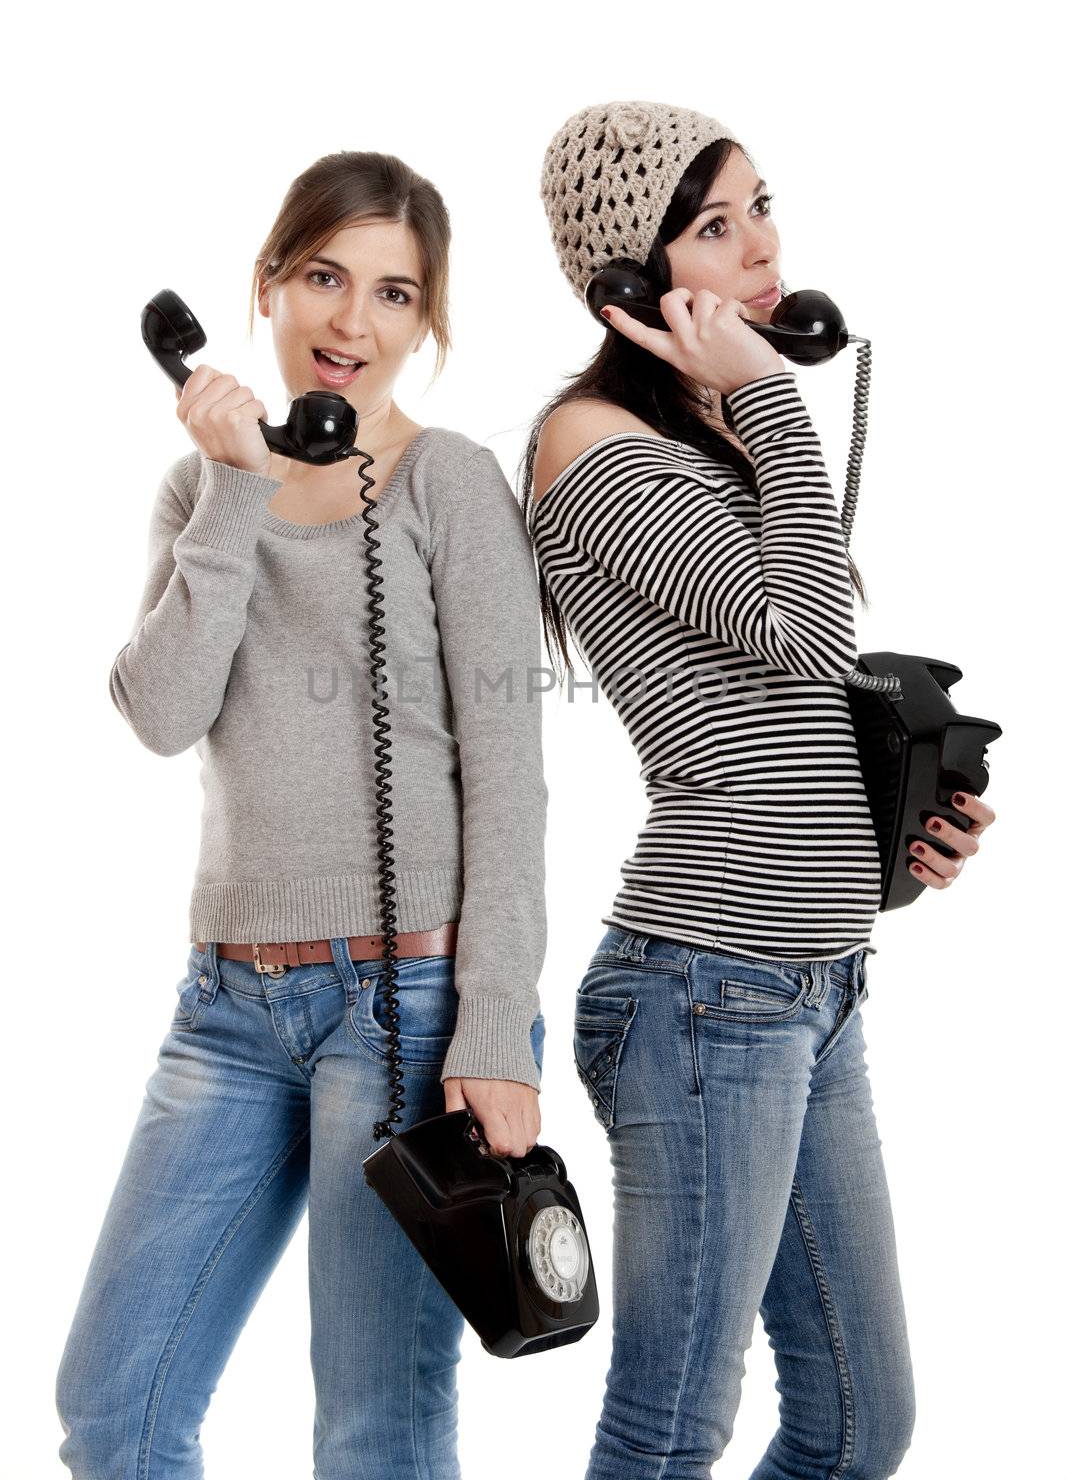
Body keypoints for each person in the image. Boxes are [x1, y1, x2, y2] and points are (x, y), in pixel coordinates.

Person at [56, 150, 548, 1480]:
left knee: (375, 1430)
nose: (352, 321)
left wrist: (497, 1023)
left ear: (425, 325)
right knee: (114, 1411)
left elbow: (510, 769)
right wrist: (236, 482)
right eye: (325, 277)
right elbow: (159, 714)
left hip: (411, 1008)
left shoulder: (449, 482)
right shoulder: (201, 496)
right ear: (266, 288)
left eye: (394, 294)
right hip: (227, 1008)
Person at [522, 101, 996, 1479]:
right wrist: (779, 400)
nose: (761, 250)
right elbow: (801, 628)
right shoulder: (593, 448)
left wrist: (895, 837)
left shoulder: (721, 442)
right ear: (630, 283)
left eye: (761, 207)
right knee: (670, 1435)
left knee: (859, 1425)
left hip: (813, 982)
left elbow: (788, 694)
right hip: (705, 990)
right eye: (714, 227)